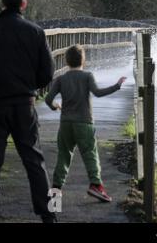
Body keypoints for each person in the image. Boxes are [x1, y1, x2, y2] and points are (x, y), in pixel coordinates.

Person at [0, 0, 56, 223]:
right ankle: (47, 214)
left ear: (3, 3)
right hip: (24, 104)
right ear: (23, 4)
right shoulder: (35, 32)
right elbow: (47, 73)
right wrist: (30, 85)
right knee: (34, 160)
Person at [45, 44, 126, 202]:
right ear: (83, 60)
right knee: (90, 154)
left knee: (63, 156)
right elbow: (98, 93)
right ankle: (95, 185)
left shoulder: (61, 79)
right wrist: (116, 86)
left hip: (66, 124)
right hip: (84, 122)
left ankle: (56, 191)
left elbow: (48, 99)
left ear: (67, 61)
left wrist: (55, 107)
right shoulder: (87, 76)